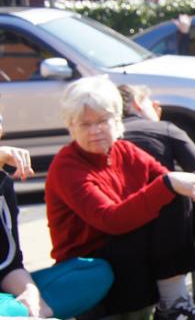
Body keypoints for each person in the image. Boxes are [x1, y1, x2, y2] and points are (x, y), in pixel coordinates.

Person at [45, 76, 195, 320]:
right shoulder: (67, 166)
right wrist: (168, 184)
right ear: (71, 127)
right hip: (95, 265)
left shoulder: (124, 150)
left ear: (116, 119)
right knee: (170, 190)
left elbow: (173, 180)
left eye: (102, 121)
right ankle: (172, 304)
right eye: (84, 124)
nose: (95, 130)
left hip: (128, 247)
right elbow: (109, 220)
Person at [0, 116, 113, 318]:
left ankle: (30, 313)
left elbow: (10, 263)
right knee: (10, 310)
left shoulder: (4, 183)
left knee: (95, 272)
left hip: (6, 297)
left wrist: (32, 295)